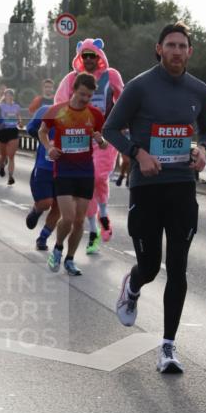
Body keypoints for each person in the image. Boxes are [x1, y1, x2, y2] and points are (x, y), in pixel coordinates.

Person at [103, 21, 206, 374]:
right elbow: (109, 128)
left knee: (178, 269)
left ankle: (168, 347)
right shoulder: (139, 87)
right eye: (171, 45)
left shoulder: (200, 91)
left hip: (182, 185)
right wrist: (139, 154)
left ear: (190, 51)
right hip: (147, 187)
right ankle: (132, 286)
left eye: (183, 46)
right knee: (151, 266)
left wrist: (203, 150)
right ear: (159, 48)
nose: (177, 51)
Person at [54, 38, 123, 252]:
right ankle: (94, 229)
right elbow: (59, 105)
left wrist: (122, 125)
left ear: (100, 57)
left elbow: (124, 99)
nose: (90, 59)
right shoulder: (71, 78)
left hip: (105, 136)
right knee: (88, 182)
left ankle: (103, 213)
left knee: (99, 177)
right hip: (80, 138)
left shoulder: (111, 76)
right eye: (85, 56)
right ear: (79, 57)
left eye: (93, 55)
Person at [37, 73, 107, 275]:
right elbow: (42, 131)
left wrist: (100, 140)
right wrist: (49, 147)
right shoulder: (57, 110)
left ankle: (69, 259)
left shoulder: (95, 114)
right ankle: (58, 249)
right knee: (67, 217)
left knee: (79, 221)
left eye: (89, 96)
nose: (85, 99)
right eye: (82, 94)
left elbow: (103, 144)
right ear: (74, 89)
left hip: (85, 172)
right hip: (64, 170)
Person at [25, 103, 60, 250]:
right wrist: (47, 142)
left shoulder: (82, 114)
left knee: (60, 208)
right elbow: (31, 128)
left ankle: (43, 238)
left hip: (66, 170)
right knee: (46, 203)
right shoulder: (46, 110)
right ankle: (37, 210)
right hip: (45, 166)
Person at [0, 88, 23, 183]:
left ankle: (10, 177)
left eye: (11, 94)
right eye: (7, 94)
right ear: (4, 95)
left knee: (11, 156)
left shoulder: (16, 106)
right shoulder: (0, 106)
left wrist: (20, 122)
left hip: (13, 131)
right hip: (2, 131)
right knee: (3, 155)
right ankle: (2, 166)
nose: (9, 96)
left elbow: (19, 117)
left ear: (12, 96)